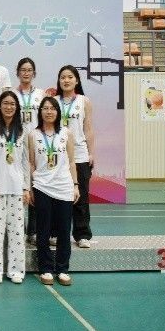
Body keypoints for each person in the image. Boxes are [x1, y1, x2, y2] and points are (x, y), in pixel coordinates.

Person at [28, 97, 79, 286]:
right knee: (43, 230)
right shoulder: (33, 135)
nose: (49, 111)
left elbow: (71, 161)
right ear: (40, 111)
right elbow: (31, 163)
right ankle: (46, 268)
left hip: (64, 186)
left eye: (52, 108)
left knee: (64, 230)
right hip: (42, 186)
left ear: (58, 112)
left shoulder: (66, 133)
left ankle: (63, 269)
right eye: (45, 108)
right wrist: (31, 187)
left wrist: (75, 185)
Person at [0, 91, 30, 284]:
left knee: (17, 232)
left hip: (17, 188)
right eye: (5, 103)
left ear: (17, 107)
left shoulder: (23, 130)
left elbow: (26, 161)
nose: (9, 107)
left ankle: (16, 270)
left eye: (12, 104)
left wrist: (26, 187)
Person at [55, 65, 95, 249]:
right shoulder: (53, 101)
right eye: (63, 77)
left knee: (81, 197)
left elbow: (88, 128)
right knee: (58, 197)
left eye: (70, 77)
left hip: (79, 155)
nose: (66, 80)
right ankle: (56, 233)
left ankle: (82, 234)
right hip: (58, 156)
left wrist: (91, 152)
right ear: (59, 81)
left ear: (77, 80)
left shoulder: (84, 101)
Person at [12, 58, 45, 245]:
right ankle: (18, 229)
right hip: (16, 144)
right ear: (17, 73)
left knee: (35, 187)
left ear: (34, 73)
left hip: (36, 144)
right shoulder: (11, 94)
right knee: (18, 186)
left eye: (29, 70)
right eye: (23, 70)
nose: (26, 73)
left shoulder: (40, 94)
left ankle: (33, 230)